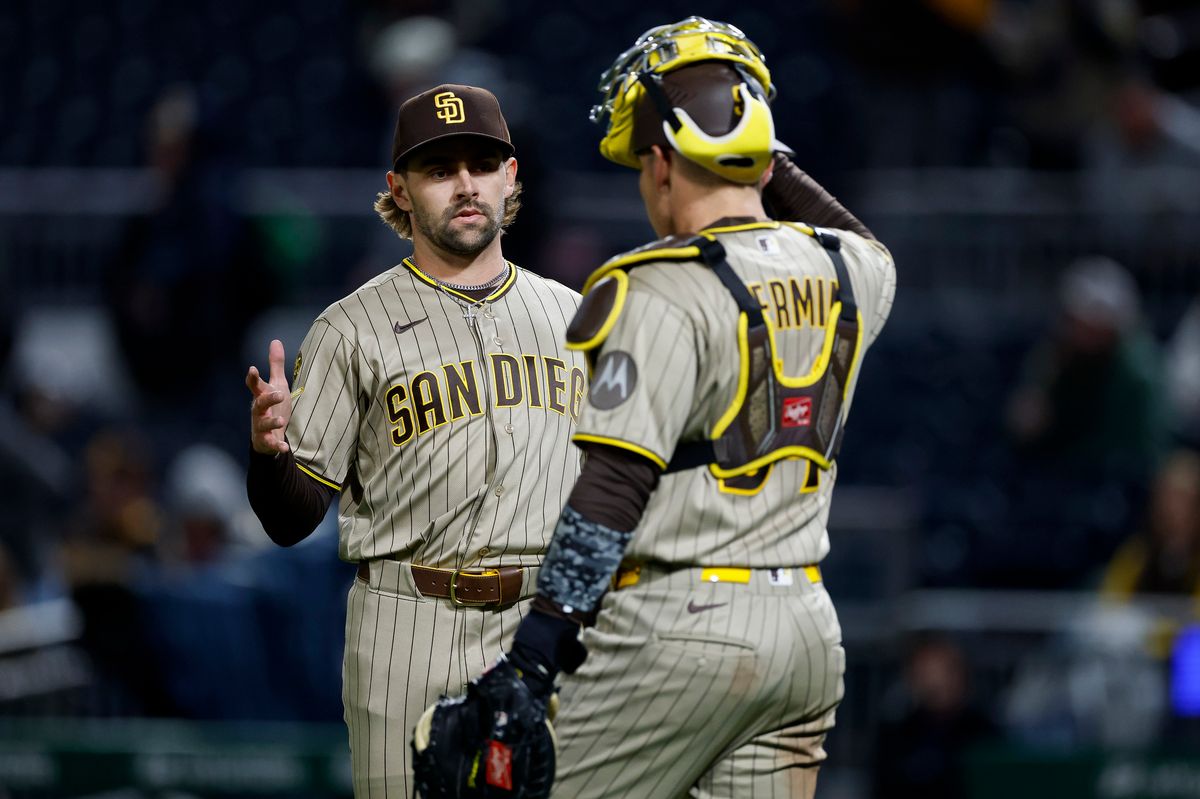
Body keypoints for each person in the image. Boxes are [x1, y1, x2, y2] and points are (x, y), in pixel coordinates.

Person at [414, 17, 896, 799]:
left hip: (680, 624)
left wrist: (536, 651)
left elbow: (613, 490)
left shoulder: (658, 283)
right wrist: (763, 155)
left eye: (645, 159)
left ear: (665, 161)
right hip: (806, 627)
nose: (645, 180)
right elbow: (868, 246)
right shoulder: (850, 270)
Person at [244, 84, 586, 796]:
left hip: (541, 627)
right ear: (399, 189)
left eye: (482, 163)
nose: (466, 184)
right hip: (408, 623)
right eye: (439, 169)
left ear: (511, 176)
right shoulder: (349, 327)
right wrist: (272, 455)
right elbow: (291, 518)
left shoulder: (574, 319)